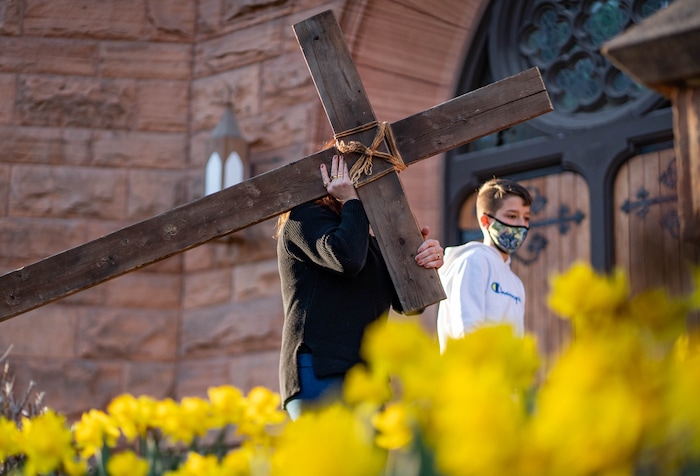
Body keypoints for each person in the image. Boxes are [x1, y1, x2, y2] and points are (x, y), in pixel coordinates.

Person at [276, 154, 444, 420]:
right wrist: (352, 201)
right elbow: (346, 258)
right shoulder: (304, 219)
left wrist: (420, 260)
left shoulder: (367, 242)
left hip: (367, 379)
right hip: (321, 371)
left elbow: (410, 305)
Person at [436, 178, 532, 352]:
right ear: (486, 221)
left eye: (526, 218)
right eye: (512, 216)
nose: (521, 225)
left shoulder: (516, 283)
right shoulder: (473, 261)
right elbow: (467, 329)